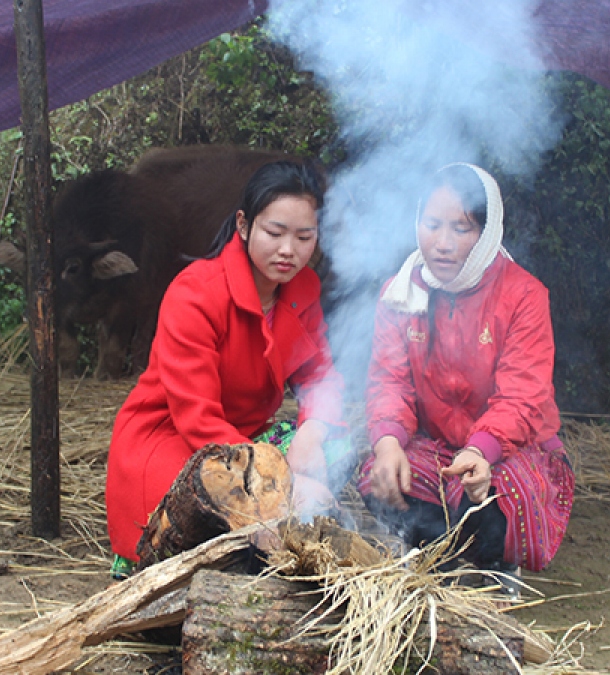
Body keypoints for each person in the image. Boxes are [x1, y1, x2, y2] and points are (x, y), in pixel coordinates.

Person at [106, 160, 345, 578]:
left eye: (304, 236)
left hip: (245, 438)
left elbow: (320, 376)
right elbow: (196, 418)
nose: (289, 250)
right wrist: (277, 484)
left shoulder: (301, 289)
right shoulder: (196, 293)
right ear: (244, 225)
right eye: (275, 233)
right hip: (175, 439)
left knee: (338, 449)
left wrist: (312, 430)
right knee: (215, 515)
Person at [358, 163, 574, 593]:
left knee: (498, 502)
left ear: (488, 231)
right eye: (432, 224)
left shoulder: (523, 295)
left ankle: (495, 565)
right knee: (379, 477)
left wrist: (482, 450)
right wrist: (386, 443)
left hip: (510, 449)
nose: (442, 243)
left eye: (461, 229)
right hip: (438, 446)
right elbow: (389, 381)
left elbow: (522, 397)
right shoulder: (402, 292)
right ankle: (427, 550)